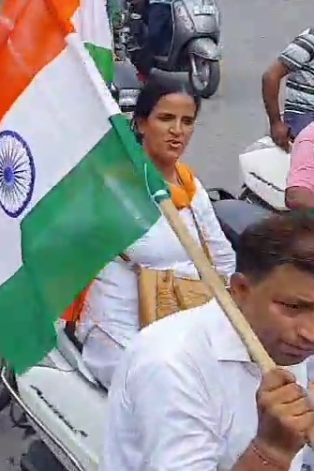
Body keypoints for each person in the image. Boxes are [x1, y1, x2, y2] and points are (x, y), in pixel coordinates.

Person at [105, 211, 314, 469]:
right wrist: (272, 450)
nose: (310, 333)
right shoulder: (171, 363)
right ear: (241, 290)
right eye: (292, 307)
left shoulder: (283, 344)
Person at [78, 78, 235, 387]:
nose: (178, 130)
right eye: (166, 118)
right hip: (120, 329)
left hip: (184, 321)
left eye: (187, 121)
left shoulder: (189, 185)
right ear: (140, 123)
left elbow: (223, 258)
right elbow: (149, 249)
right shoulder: (117, 182)